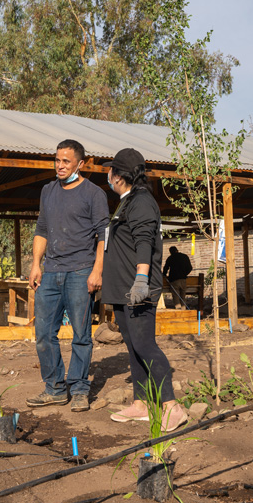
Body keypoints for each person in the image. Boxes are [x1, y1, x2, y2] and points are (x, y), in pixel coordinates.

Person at [102, 148, 188, 431]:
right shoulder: (127, 202)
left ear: (119, 175)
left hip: (136, 289)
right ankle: (141, 404)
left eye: (110, 170)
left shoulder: (140, 202)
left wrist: (141, 280)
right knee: (133, 347)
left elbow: (143, 242)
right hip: (122, 289)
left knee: (145, 345)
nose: (107, 175)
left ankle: (172, 407)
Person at [26, 139, 109, 413]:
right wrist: (36, 263)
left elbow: (103, 235)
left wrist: (97, 270)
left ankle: (80, 389)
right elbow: (42, 229)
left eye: (66, 161)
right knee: (43, 333)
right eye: (57, 160)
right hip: (50, 272)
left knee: (81, 334)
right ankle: (55, 389)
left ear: (80, 164)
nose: (60, 166)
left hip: (81, 271)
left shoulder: (93, 193)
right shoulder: (48, 190)